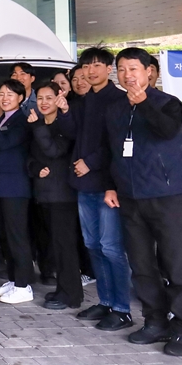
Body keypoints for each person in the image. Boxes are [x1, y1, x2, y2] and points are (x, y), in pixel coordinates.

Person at [105, 48, 182, 356]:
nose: (127, 75)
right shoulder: (115, 109)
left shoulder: (169, 104)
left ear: (149, 72)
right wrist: (110, 186)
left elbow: (167, 131)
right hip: (130, 198)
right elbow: (112, 151)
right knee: (142, 265)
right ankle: (155, 321)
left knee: (176, 264)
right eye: (121, 69)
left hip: (165, 196)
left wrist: (143, 103)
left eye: (133, 68)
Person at [65, 47, 133, 332]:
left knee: (112, 248)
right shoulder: (84, 101)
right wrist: (65, 111)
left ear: (109, 69)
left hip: (109, 186)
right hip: (84, 184)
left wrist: (90, 163)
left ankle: (122, 309)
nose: (90, 71)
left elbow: (118, 144)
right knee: (93, 245)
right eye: (86, 66)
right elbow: (73, 136)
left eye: (96, 65)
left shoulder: (119, 100)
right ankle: (105, 302)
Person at [26, 82, 82, 311]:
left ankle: (72, 295)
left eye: (49, 98)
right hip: (43, 194)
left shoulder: (63, 125)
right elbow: (31, 157)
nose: (44, 103)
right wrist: (35, 168)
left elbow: (54, 150)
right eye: (40, 98)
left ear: (58, 99)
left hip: (62, 195)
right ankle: (62, 289)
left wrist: (38, 126)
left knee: (65, 246)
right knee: (54, 246)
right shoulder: (38, 124)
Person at [0, 79, 35, 305]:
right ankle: (14, 280)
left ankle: (24, 286)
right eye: (2, 94)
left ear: (21, 98)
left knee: (17, 237)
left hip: (15, 187)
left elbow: (5, 143)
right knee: (6, 236)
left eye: (10, 94)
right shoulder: (2, 119)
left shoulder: (22, 120)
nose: (4, 98)